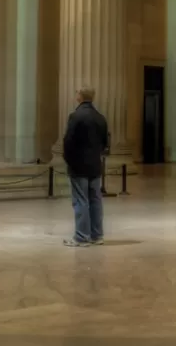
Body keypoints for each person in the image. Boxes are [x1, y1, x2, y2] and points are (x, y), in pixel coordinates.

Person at [61, 86, 110, 247]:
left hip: (79, 165)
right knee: (95, 200)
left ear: (80, 97)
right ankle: (97, 235)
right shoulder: (100, 117)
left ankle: (81, 237)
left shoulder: (76, 116)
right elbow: (105, 142)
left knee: (81, 200)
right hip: (95, 165)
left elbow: (68, 142)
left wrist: (68, 160)